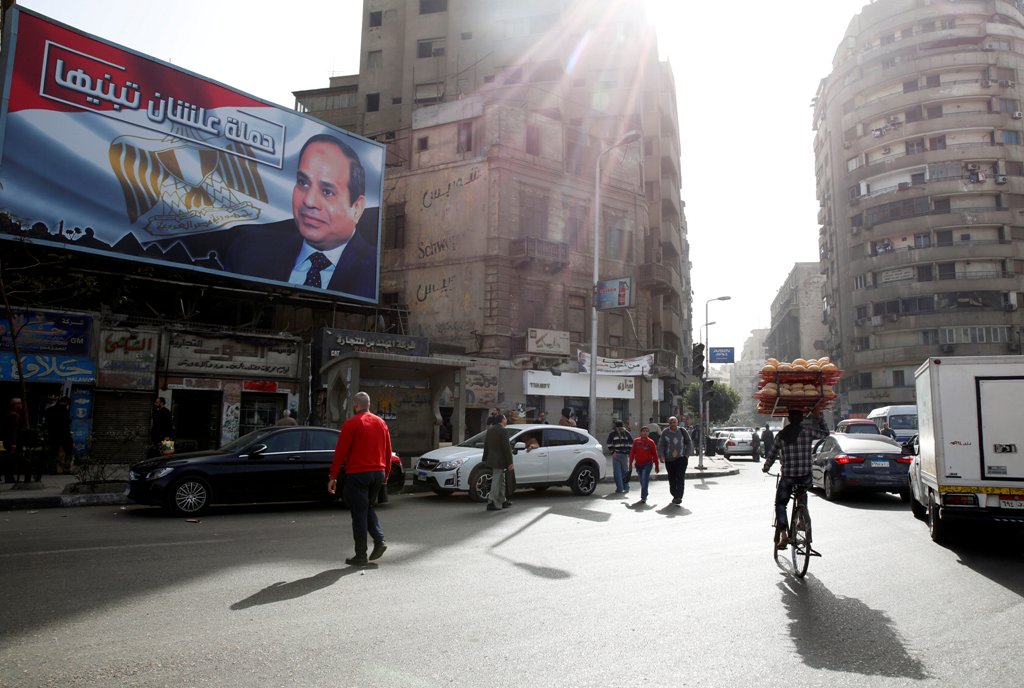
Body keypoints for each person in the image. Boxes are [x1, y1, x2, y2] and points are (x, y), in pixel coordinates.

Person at [220, 134, 377, 300]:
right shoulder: (249, 249)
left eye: (327, 192)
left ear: (357, 208)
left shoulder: (373, 271)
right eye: (303, 182)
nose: (309, 201)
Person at [328, 391, 393, 566]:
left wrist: (333, 476)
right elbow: (388, 451)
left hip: (358, 474)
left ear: (356, 405)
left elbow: (340, 452)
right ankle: (379, 540)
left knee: (359, 514)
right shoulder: (381, 423)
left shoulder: (351, 424)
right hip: (378, 473)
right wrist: (386, 474)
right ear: (369, 404)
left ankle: (361, 555)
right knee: (365, 508)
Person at [761, 409, 830, 548]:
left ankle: (783, 535)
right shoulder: (808, 432)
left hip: (788, 477)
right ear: (801, 420)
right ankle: (802, 517)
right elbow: (826, 434)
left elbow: (772, 455)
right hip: (805, 476)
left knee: (780, 504)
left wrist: (766, 467)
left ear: (789, 419)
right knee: (802, 492)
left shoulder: (781, 435)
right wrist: (820, 417)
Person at [657, 416, 693, 506]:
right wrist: (661, 456)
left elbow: (689, 442)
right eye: (670, 422)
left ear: (677, 423)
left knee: (680, 477)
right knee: (672, 478)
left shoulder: (682, 431)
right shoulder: (665, 432)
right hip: (669, 459)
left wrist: (686, 455)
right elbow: (661, 445)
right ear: (668, 423)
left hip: (681, 458)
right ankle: (674, 494)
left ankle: (679, 496)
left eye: (674, 422)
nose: (672, 424)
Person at [481, 413, 514, 511]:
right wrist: (510, 462)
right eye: (505, 418)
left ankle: (502, 500)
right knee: (496, 480)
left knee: (501, 480)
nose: (506, 420)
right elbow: (507, 448)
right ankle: (491, 502)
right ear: (502, 420)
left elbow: (486, 445)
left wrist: (485, 458)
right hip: (500, 460)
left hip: (492, 459)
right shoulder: (503, 430)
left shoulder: (490, 430)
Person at [628, 425, 659, 504]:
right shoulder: (636, 441)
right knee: (642, 480)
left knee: (645, 479)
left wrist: (657, 466)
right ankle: (645, 492)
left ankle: (643, 497)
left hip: (647, 464)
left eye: (646, 431)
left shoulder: (651, 442)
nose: (645, 433)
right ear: (640, 432)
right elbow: (632, 453)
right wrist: (630, 463)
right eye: (643, 431)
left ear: (648, 433)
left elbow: (655, 454)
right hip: (638, 464)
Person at [44, 396, 74, 473]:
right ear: (67, 403)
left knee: (53, 452)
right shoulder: (64, 410)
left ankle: (52, 469)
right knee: (69, 450)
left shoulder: (49, 410)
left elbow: (46, 423)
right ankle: (66, 468)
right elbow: (67, 421)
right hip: (64, 435)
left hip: (52, 435)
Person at [606, 419, 633, 494]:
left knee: (617, 472)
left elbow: (608, 443)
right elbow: (631, 443)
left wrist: (613, 452)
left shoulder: (612, 433)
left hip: (616, 454)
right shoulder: (627, 433)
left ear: (615, 426)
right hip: (624, 455)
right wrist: (628, 452)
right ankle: (626, 487)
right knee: (625, 471)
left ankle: (619, 488)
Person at [2, 398, 24, 483]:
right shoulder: (14, 415)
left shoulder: (10, 414)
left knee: (9, 459)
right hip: (12, 441)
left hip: (8, 440)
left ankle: (9, 477)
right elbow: (13, 430)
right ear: (15, 405)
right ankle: (9, 478)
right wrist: (14, 443)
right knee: (11, 460)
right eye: (19, 403)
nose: (21, 405)